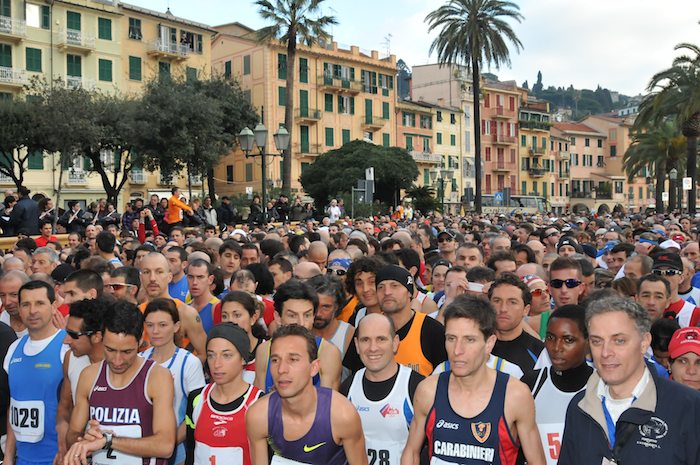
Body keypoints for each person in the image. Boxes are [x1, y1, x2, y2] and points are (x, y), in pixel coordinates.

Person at [401, 294, 546, 465]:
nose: (457, 350)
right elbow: (411, 453)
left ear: (489, 343)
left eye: (469, 340)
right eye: (451, 339)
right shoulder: (428, 390)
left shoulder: (515, 395)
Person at [558, 295, 700, 465]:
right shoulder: (579, 406)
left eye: (619, 341)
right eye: (597, 341)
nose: (605, 352)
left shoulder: (688, 406)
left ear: (644, 343)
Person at [64, 301, 176, 465]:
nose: (117, 360)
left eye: (126, 352)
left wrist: (108, 441)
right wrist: (84, 439)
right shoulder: (89, 375)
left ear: (140, 342)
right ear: (101, 338)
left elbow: (165, 446)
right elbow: (72, 435)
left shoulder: (157, 377)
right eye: (109, 350)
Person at [246, 325, 367, 465]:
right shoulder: (258, 415)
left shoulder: (342, 415)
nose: (281, 369)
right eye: (275, 360)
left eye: (293, 359)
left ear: (314, 368)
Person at [341, 314, 424, 465]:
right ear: (357, 345)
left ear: (395, 343)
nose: (373, 348)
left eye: (381, 339)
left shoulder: (416, 387)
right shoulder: (348, 388)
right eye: (365, 340)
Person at [4, 281, 67, 465]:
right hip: (23, 459)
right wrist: (8, 457)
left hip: (58, 459)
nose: (32, 311)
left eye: (39, 303)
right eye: (26, 304)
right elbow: (14, 404)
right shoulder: (13, 350)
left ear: (54, 305)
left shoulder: (67, 348)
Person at [522, 305, 593, 465]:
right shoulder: (531, 384)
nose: (556, 348)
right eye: (550, 337)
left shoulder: (603, 388)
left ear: (588, 342)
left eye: (568, 340)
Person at [184, 323, 263, 465]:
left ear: (243, 359)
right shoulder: (196, 398)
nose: (217, 364)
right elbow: (190, 452)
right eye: (211, 355)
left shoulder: (259, 403)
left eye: (227, 355)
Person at [141, 298, 205, 465]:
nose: (155, 331)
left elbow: (195, 413)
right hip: (139, 452)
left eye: (162, 325)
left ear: (176, 327)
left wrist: (165, 443)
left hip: (176, 453)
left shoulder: (189, 363)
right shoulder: (139, 360)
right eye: (150, 325)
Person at [254, 280, 342, 392]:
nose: (301, 322)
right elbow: (259, 401)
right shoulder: (264, 351)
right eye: (292, 315)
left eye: (307, 315)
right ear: (278, 317)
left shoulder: (327, 353)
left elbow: (328, 405)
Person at [55, 298, 108, 465]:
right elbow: (65, 407)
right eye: (67, 333)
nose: (67, 341)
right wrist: (64, 444)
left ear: (97, 336)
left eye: (73, 335)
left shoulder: (122, 365)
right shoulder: (70, 359)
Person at [489, 273, 544, 378]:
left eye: (512, 302)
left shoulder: (540, 353)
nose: (503, 309)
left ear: (526, 310)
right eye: (497, 301)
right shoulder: (475, 346)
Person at [219, 291, 265, 383]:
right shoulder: (218, 351)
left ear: (253, 318)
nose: (230, 321)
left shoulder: (267, 350)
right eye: (225, 316)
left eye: (237, 315)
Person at [186, 259, 220, 333]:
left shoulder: (218, 307)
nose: (194, 282)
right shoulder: (185, 308)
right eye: (191, 277)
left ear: (210, 279)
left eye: (200, 277)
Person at [668, 326, 700, 391]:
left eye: (699, 362)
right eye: (683, 361)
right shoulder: (653, 398)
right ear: (669, 365)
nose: (691, 371)